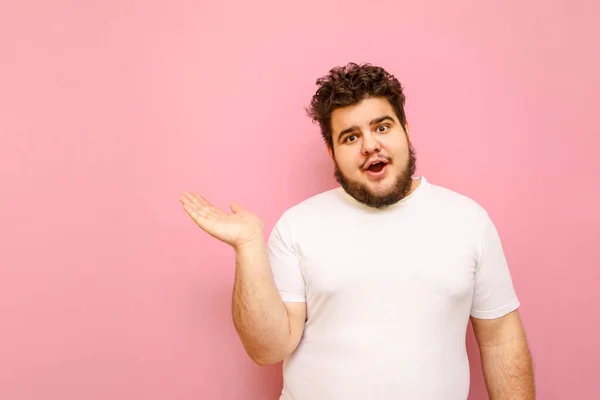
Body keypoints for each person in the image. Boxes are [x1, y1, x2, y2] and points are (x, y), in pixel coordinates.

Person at [179, 62, 535, 399]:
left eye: (382, 127)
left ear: (406, 130)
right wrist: (247, 246)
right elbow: (267, 349)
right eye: (350, 137)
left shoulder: (468, 220)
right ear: (332, 152)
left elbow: (501, 338)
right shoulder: (298, 226)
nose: (369, 146)